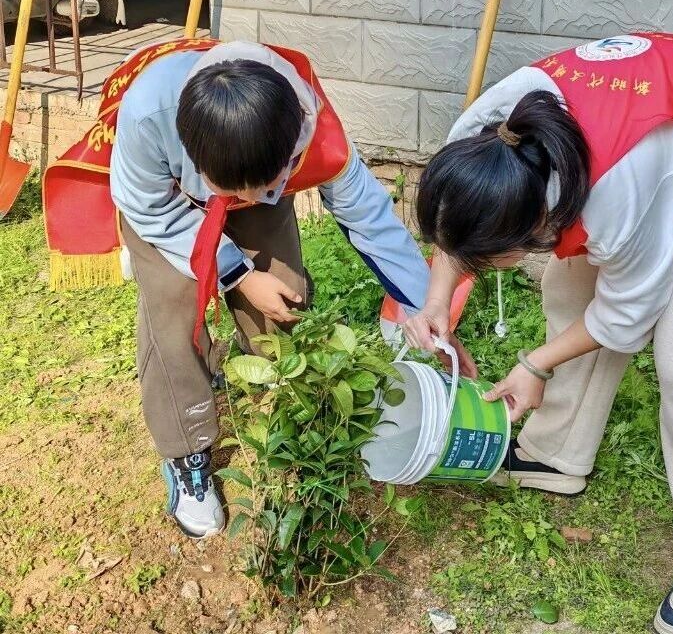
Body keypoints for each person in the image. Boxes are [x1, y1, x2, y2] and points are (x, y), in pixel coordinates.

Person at [402, 33, 673, 634]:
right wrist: (438, 299)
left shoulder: (615, 193)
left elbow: (627, 314)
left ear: (537, 227)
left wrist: (535, 365)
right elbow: (454, 223)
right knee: (570, 295)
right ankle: (555, 455)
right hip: (665, 137)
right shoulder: (482, 141)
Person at [44, 37, 432, 540]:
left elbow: (369, 217)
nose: (245, 197)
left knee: (285, 296)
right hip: (167, 210)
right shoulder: (147, 117)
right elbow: (150, 210)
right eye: (230, 189)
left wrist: (424, 306)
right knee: (173, 311)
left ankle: (272, 400)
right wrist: (240, 274)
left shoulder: (307, 124)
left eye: (266, 183)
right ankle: (186, 450)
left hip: (248, 172)